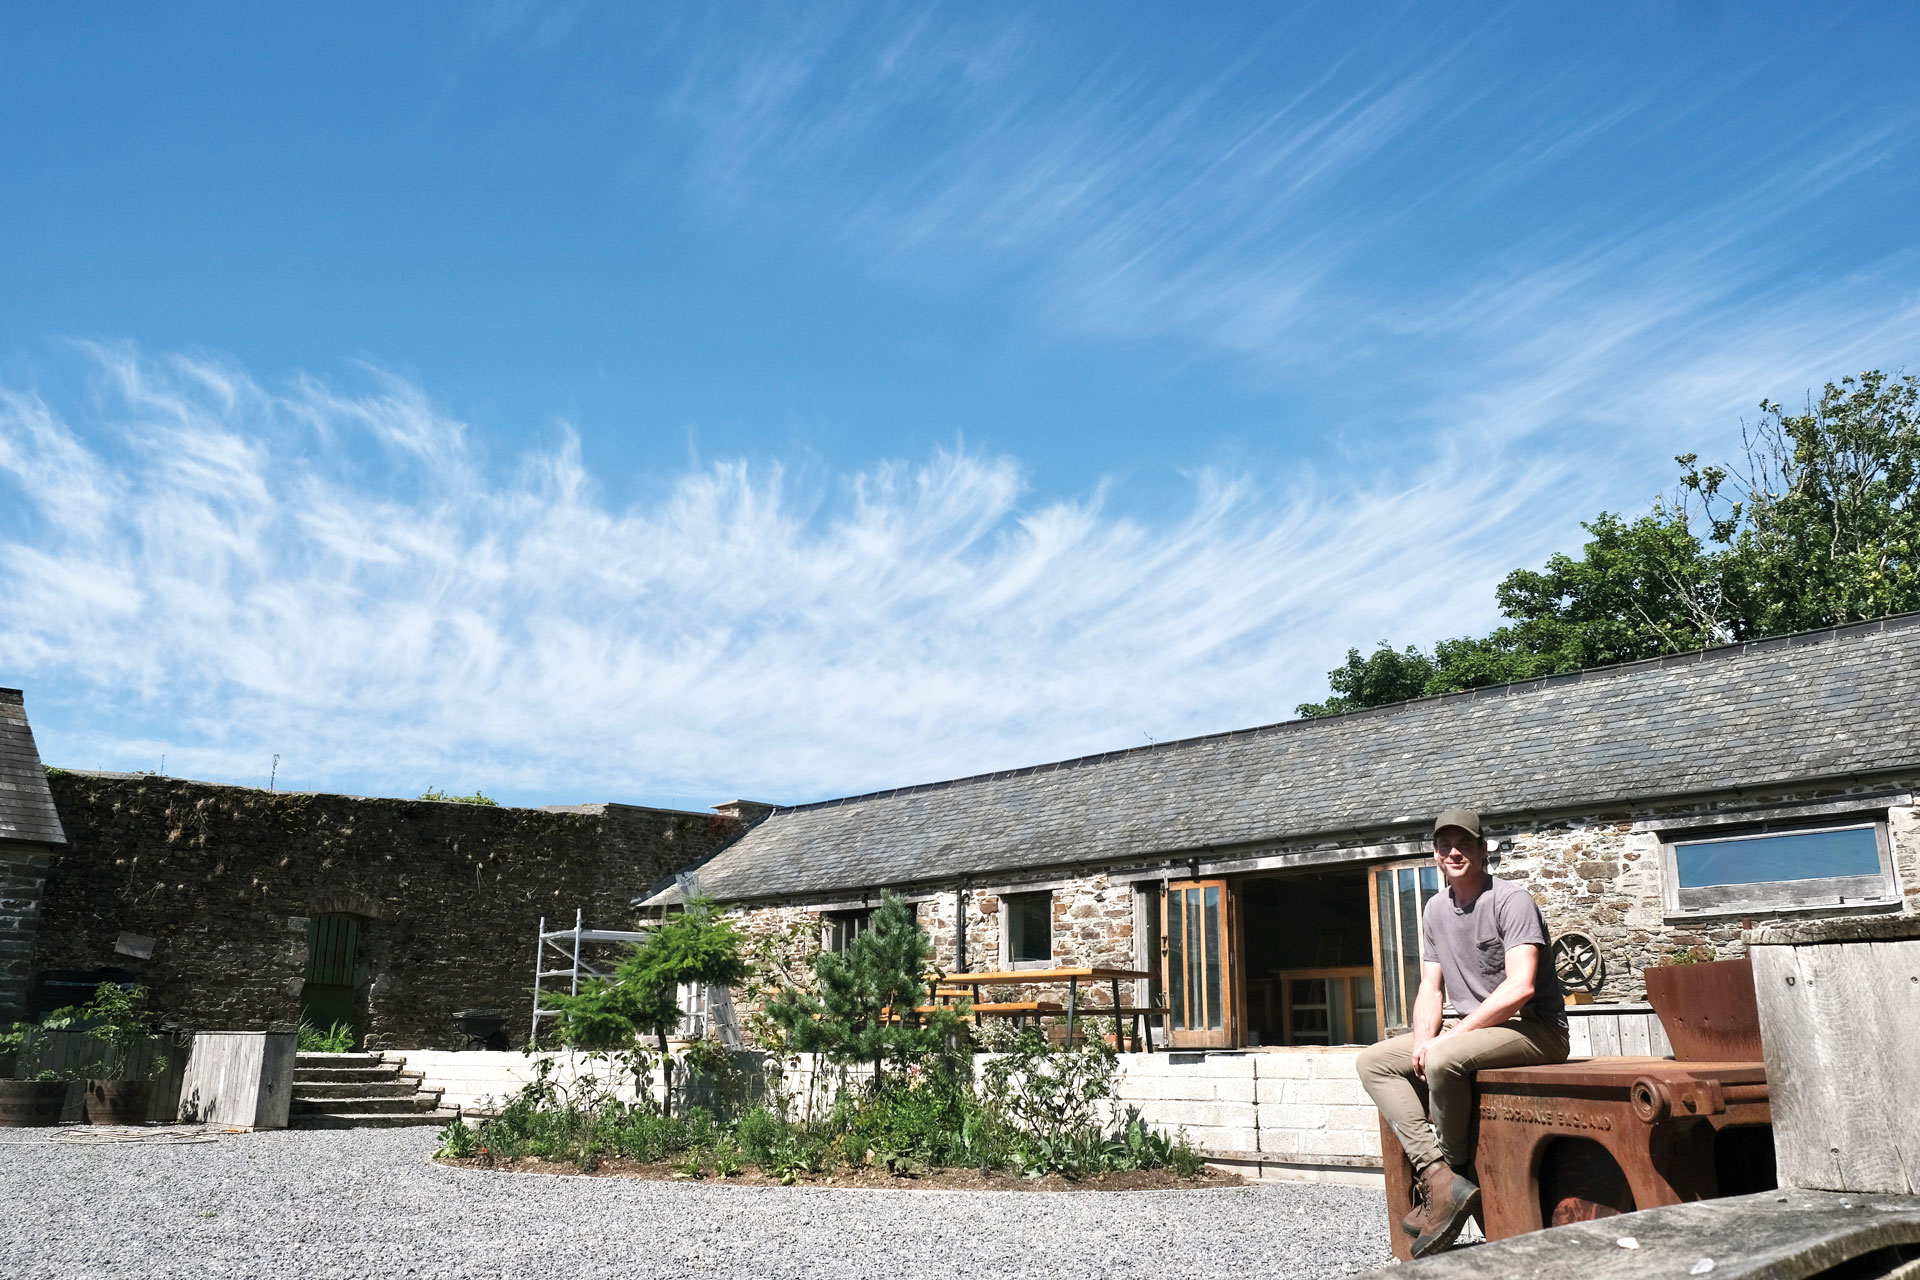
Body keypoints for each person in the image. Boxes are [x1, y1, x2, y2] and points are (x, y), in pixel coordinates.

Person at [1355, 807, 1570, 1257]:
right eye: (1444, 845)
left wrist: (1447, 1040)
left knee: (1443, 1057)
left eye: (1464, 843)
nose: (1454, 852)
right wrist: (1420, 1041)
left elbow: (1520, 987)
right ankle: (1439, 1176)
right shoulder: (1435, 909)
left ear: (1482, 848)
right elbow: (1430, 989)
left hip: (1536, 1030)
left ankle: (1453, 1167)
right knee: (1374, 1061)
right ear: (1435, 853)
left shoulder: (1512, 900)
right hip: (1476, 1032)